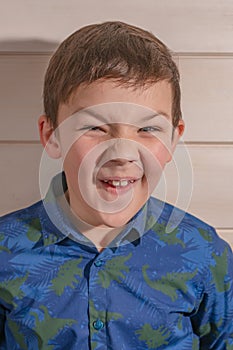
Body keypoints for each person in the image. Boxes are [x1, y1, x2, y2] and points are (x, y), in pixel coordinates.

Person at [0, 21, 232, 350]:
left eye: (148, 129)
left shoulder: (206, 254)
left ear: (173, 139)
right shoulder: (4, 251)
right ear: (52, 136)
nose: (122, 153)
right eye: (94, 127)